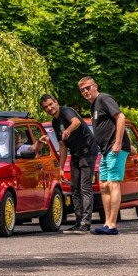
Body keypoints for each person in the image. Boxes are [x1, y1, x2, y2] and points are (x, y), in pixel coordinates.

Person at [78, 76, 130, 235]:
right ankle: (107, 223)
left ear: (95, 86)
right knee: (103, 184)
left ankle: (112, 225)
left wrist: (118, 143)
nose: (86, 92)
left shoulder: (103, 98)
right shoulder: (94, 105)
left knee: (113, 183)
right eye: (82, 90)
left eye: (88, 88)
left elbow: (120, 117)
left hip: (115, 148)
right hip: (105, 150)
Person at [40, 94, 99, 233]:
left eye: (50, 104)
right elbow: (62, 145)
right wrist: (60, 168)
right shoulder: (55, 122)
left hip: (87, 151)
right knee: (74, 187)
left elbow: (76, 122)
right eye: (46, 107)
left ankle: (86, 223)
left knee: (85, 187)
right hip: (76, 153)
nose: (49, 108)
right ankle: (79, 221)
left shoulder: (66, 111)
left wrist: (68, 130)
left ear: (56, 102)